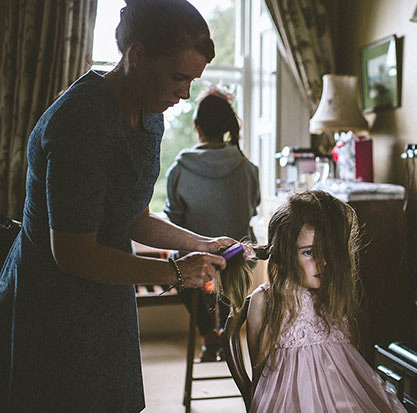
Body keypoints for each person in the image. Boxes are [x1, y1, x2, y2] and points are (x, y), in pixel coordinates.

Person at [0, 1, 242, 411]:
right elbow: (73, 253)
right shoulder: (82, 121)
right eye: (179, 77)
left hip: (108, 293)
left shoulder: (149, 112)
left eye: (192, 81)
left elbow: (133, 216)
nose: (185, 94)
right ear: (137, 55)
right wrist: (174, 272)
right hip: (55, 301)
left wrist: (200, 243)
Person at [244, 190, 407, 412]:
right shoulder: (266, 300)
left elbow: (348, 362)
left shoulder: (334, 294)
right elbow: (259, 374)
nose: (322, 262)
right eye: (309, 252)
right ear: (283, 254)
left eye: (328, 251)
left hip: (344, 397)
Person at [164, 89, 260, 361]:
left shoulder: (180, 168)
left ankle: (208, 333)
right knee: (228, 266)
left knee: (177, 261)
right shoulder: (248, 167)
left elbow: (174, 219)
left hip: (198, 257)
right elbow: (252, 208)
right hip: (239, 258)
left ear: (197, 127)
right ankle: (225, 332)